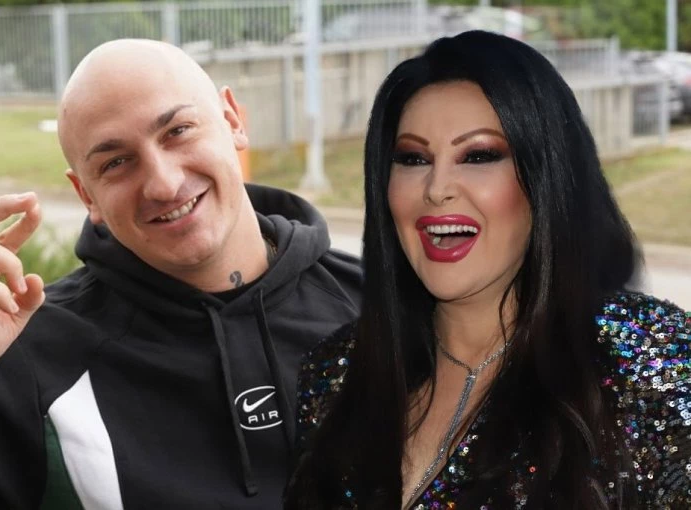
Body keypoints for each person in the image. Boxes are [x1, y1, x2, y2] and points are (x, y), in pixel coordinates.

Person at [0, 39, 362, 509]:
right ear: (86, 195)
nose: (163, 184)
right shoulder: (30, 358)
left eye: (178, 131)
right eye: (116, 162)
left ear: (232, 121)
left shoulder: (381, 304)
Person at [284, 30, 691, 510]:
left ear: (545, 177)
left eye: (478, 155)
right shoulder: (334, 373)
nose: (437, 188)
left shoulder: (651, 358)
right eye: (413, 158)